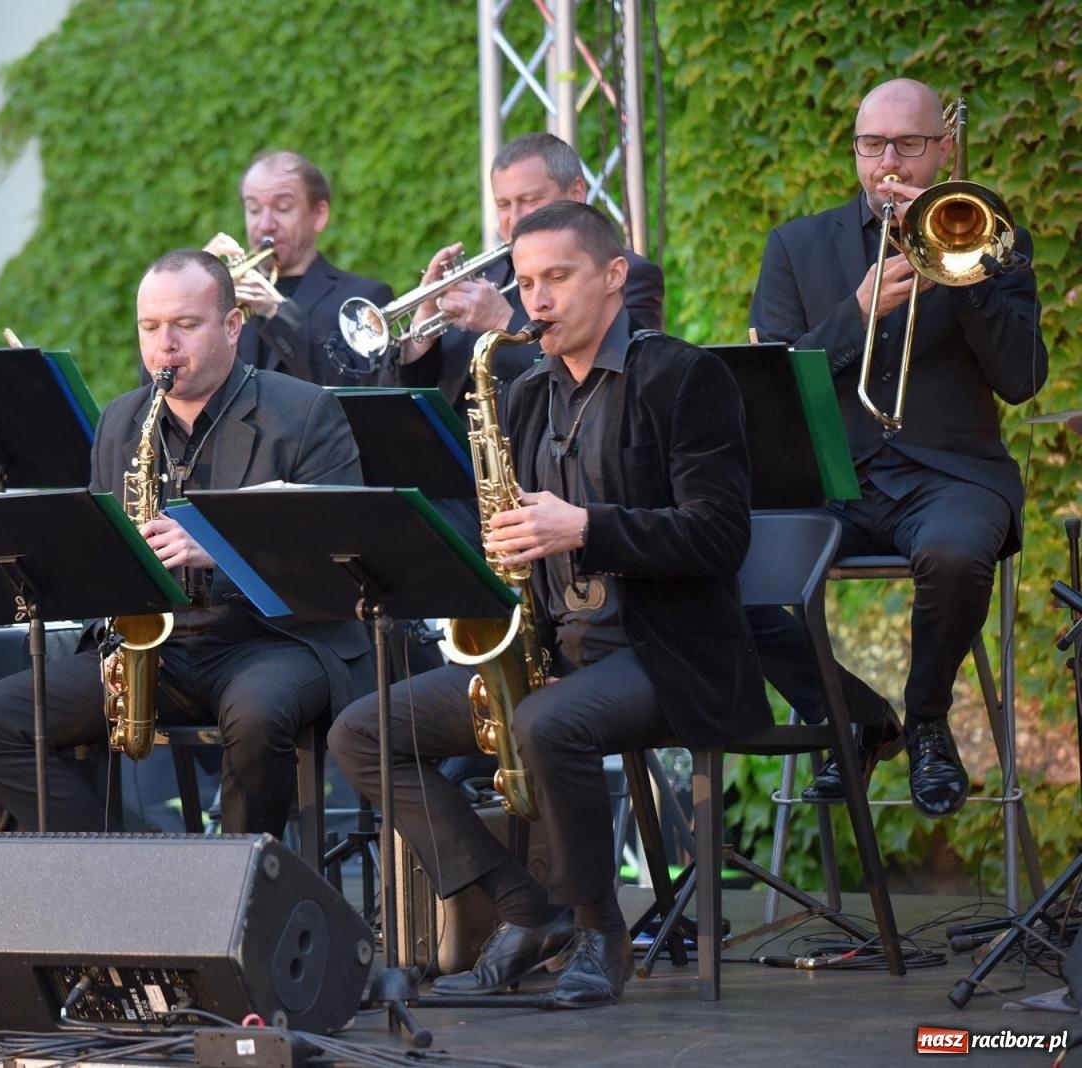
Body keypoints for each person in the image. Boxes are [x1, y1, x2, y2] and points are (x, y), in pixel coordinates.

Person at [330, 201, 768, 1007]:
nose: (536, 301)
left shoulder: (683, 376)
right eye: (526, 282)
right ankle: (524, 908)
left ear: (613, 276)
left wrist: (585, 528)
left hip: (664, 651)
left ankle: (600, 930)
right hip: (553, 648)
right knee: (364, 730)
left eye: (556, 278)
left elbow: (719, 537)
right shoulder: (525, 393)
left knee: (544, 724)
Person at [0, 249, 372, 837]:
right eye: (150, 327)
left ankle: (241, 895)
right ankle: (141, 863)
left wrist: (224, 550)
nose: (164, 346)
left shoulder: (304, 413)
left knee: (256, 716)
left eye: (186, 324)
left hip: (274, 640)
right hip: (155, 644)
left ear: (232, 326)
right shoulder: (122, 421)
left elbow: (340, 557)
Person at [749, 78, 1046, 817]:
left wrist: (969, 276)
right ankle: (852, 715)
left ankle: (926, 720)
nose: (889, 163)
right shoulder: (797, 246)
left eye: (908, 145)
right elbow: (774, 389)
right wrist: (853, 315)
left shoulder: (992, 235)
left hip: (952, 478)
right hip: (830, 478)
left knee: (953, 552)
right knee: (712, 560)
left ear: (943, 149)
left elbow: (1022, 379)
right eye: (871, 145)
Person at [396, 131, 664, 411]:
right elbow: (416, 390)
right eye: (504, 205)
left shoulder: (629, 273)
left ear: (576, 193)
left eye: (531, 200)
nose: (515, 217)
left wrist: (502, 320)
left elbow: (617, 383)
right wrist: (424, 321)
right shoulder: (485, 276)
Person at [208, 149, 393, 386]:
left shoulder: (365, 298)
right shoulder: (223, 296)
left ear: (319, 215)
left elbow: (355, 391)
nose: (265, 224)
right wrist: (191, 294)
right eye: (253, 209)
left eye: (283, 207)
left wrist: (279, 313)